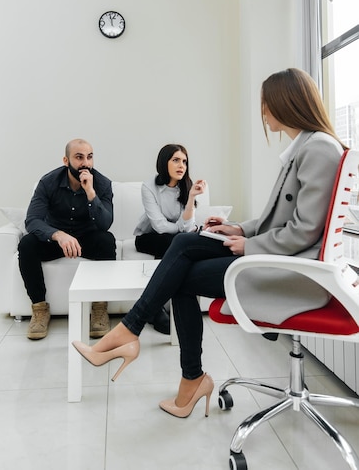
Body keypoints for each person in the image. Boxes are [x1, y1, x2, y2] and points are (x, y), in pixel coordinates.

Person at [72, 68, 347, 419]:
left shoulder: (317, 149)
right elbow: (275, 221)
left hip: (291, 269)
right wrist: (237, 229)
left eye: (266, 105)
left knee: (181, 270)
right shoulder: (307, 148)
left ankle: (166, 360)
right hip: (278, 254)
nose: (263, 112)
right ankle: (148, 346)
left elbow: (305, 230)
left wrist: (251, 247)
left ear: (285, 103)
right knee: (186, 245)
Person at [18, 138, 116, 341]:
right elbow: (32, 220)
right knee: (27, 244)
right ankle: (40, 309)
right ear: (66, 160)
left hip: (86, 239)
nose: (85, 163)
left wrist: (91, 193)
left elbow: (105, 223)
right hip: (56, 240)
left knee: (107, 240)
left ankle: (99, 309)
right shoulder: (48, 182)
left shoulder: (103, 184)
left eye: (89, 157)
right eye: (79, 157)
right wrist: (57, 234)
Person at [134, 143, 207, 334]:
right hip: (147, 237)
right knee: (174, 242)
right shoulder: (148, 186)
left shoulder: (187, 186)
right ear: (164, 162)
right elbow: (158, 225)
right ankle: (155, 309)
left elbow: (189, 227)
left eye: (184, 161)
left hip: (173, 240)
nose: (181, 165)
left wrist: (191, 197)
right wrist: (183, 231)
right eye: (175, 160)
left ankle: (173, 305)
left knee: (183, 243)